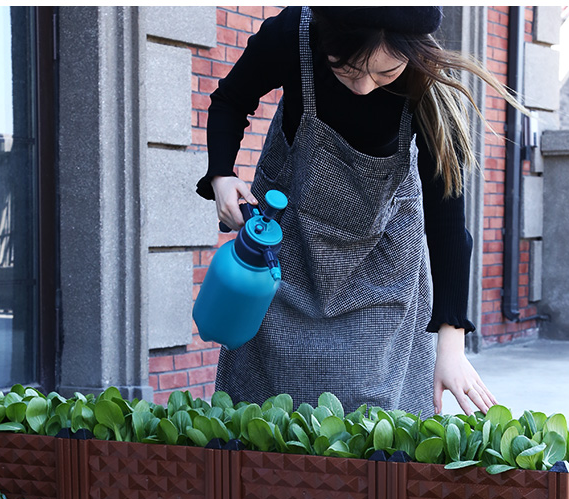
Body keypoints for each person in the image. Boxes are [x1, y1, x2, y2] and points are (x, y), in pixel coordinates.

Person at [196, 6, 513, 418]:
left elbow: (447, 220)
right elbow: (230, 100)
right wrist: (221, 175)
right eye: (346, 69)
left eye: (385, 74)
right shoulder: (295, 34)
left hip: (383, 266)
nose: (364, 87)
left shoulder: (426, 80)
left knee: (375, 421)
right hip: (286, 252)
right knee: (269, 413)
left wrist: (451, 348)